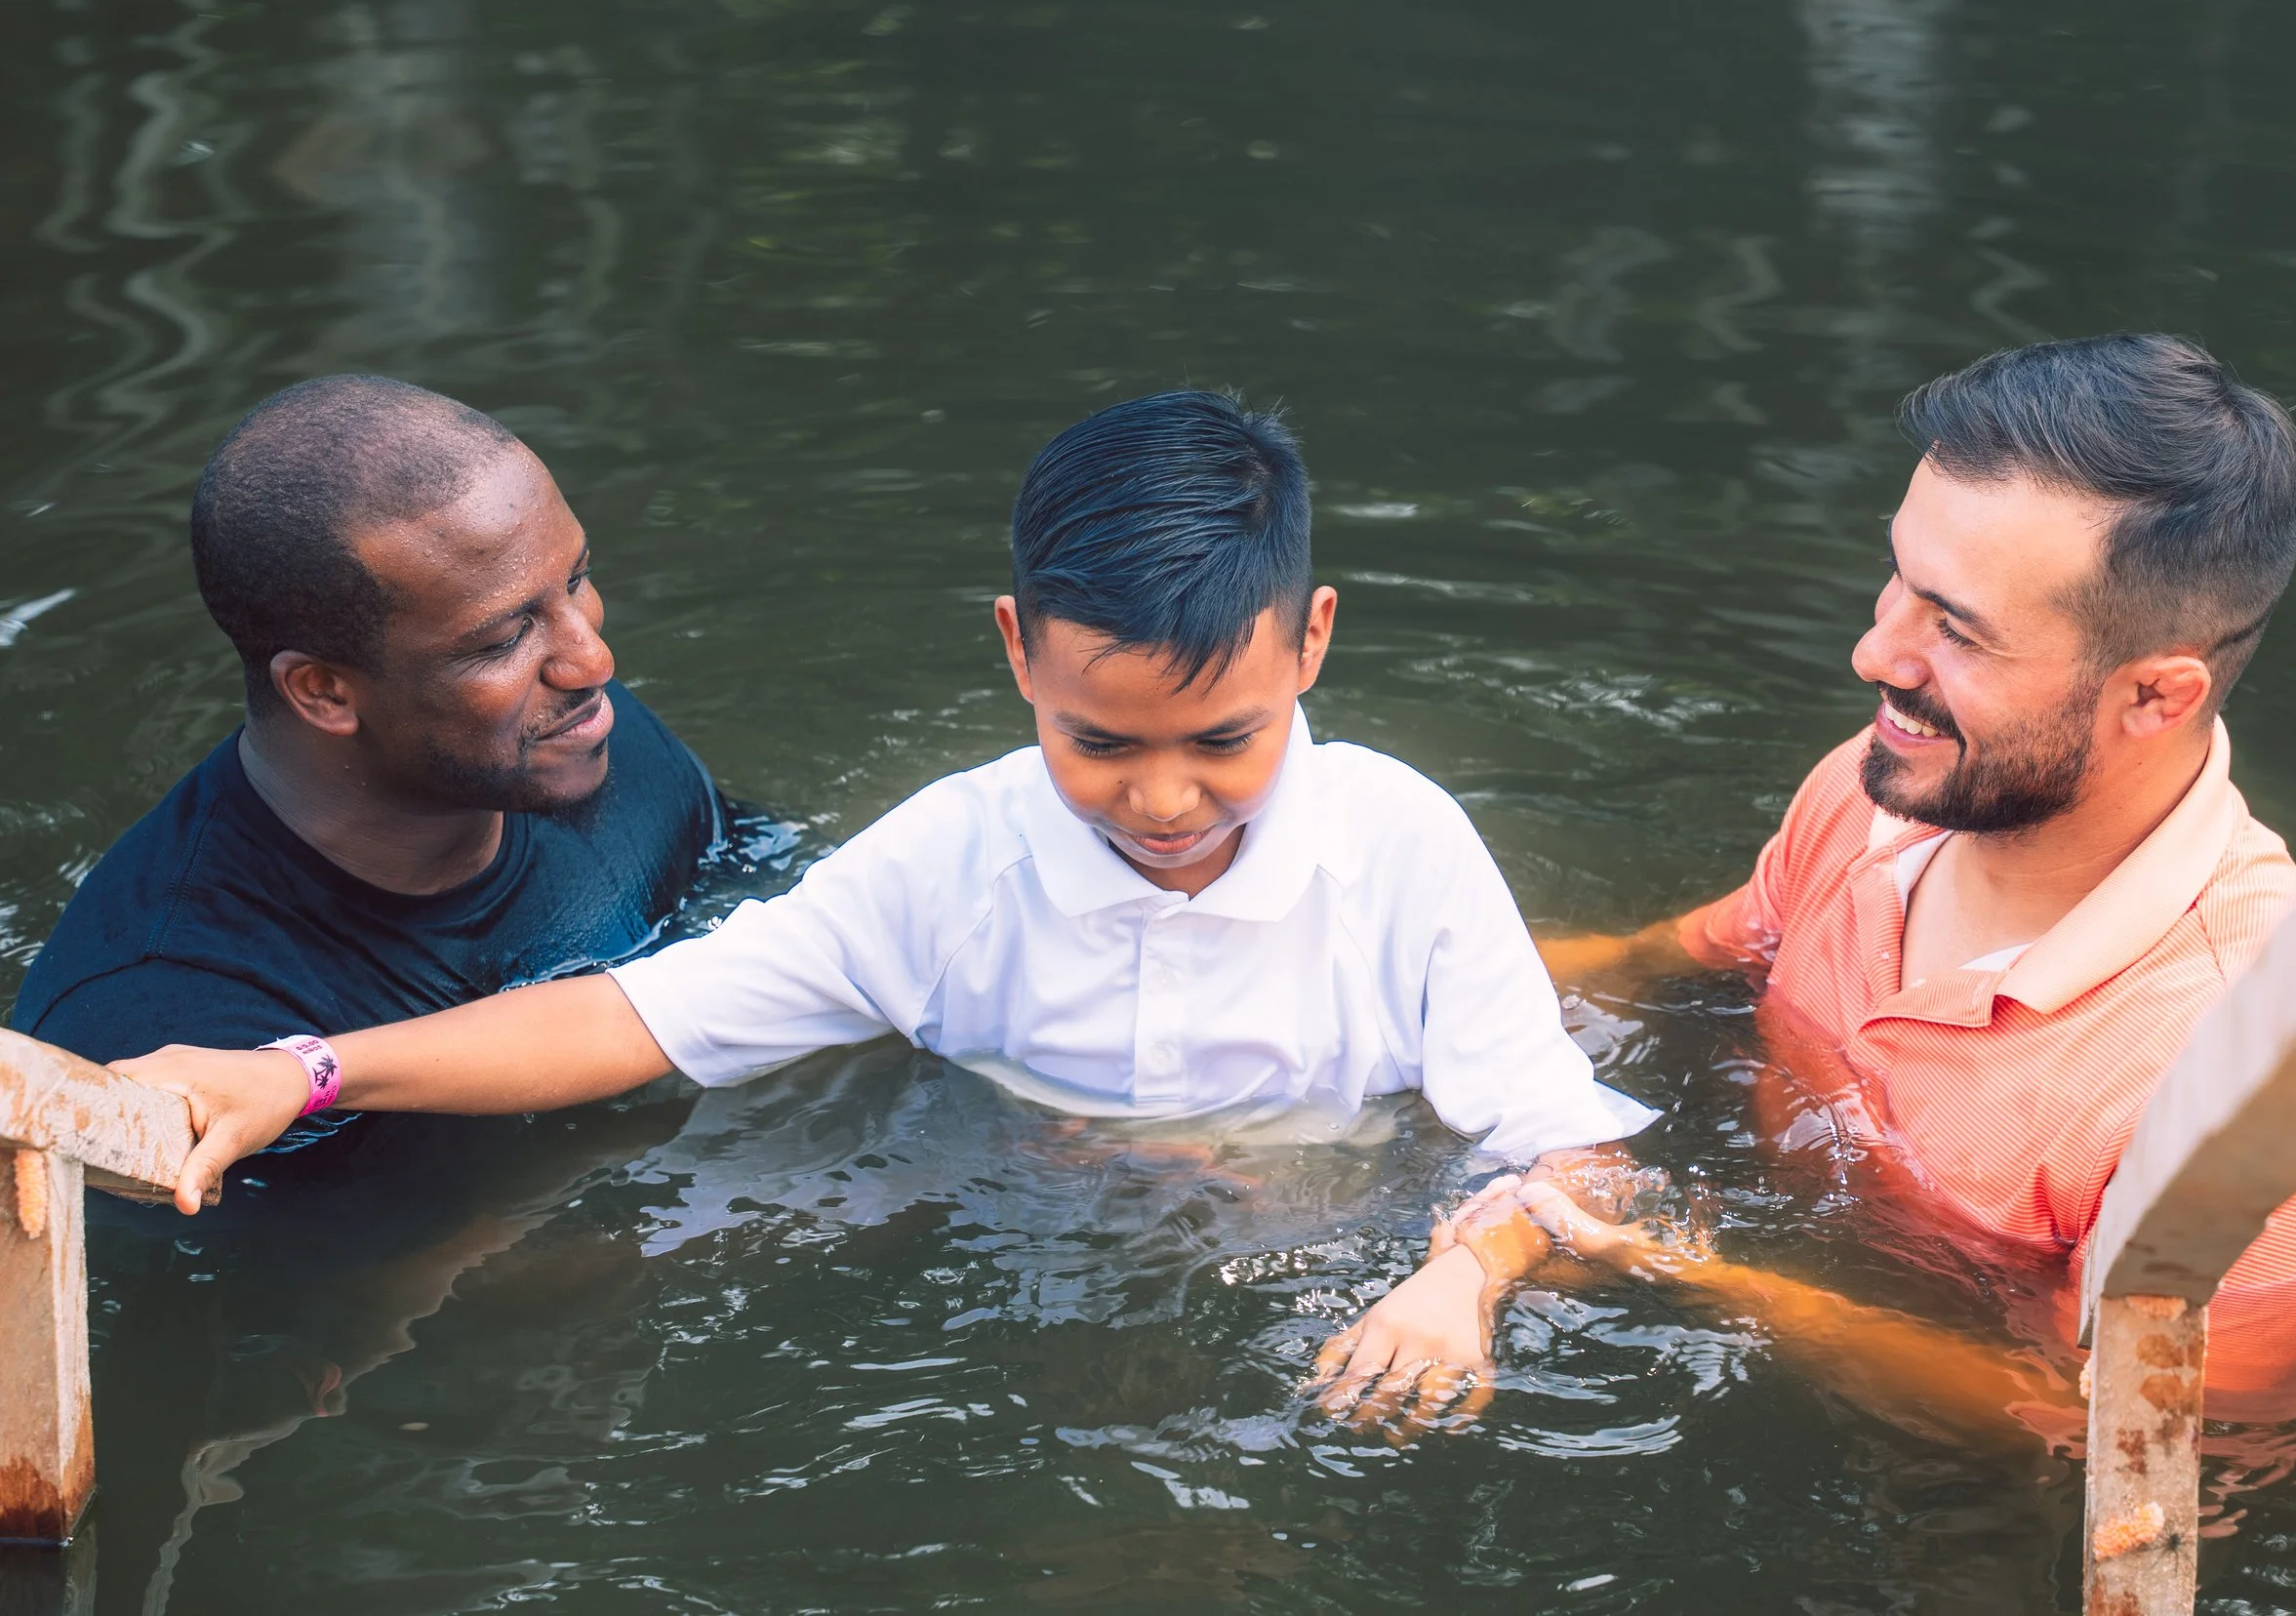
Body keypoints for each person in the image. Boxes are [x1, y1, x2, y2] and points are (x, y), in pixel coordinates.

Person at [115, 389, 1658, 1436]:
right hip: (1036, 1264)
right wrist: (307, 1068)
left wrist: (1464, 1279)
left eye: (1226, 741)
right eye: (1100, 744)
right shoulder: (947, 861)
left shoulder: (1401, 847)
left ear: (1312, 639)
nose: (1168, 801)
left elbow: (1578, 1151)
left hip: (1348, 1268)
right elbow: (632, 1016)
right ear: (1017, 656)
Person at [1480, 334, 2296, 1429]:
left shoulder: (2266, 1092)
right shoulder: (1889, 787)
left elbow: (2137, 1439)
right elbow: (1688, 955)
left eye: (1955, 631)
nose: (1875, 654)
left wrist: (1692, 1278)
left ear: (2157, 696)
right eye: (1899, 580)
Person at [12, 373, 726, 1102]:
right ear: (324, 692)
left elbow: (774, 921)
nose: (593, 661)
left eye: (576, 580)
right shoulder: (175, 1024)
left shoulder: (573, 734)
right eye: (508, 637)